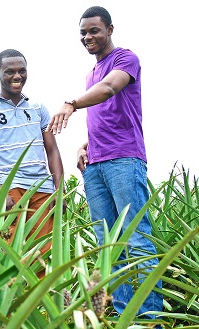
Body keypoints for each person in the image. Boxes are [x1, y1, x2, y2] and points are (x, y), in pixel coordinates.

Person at [46, 6, 163, 321]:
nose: (88, 37)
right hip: (95, 165)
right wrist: (87, 143)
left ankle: (149, 320)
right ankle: (126, 316)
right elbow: (105, 113)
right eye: (83, 33)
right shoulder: (90, 74)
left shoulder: (126, 59)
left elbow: (111, 88)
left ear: (110, 29)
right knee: (107, 245)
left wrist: (71, 104)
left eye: (94, 30)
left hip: (124, 159)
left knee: (136, 239)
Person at [0, 49, 64, 278]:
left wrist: (59, 192)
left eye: (22, 71)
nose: (17, 76)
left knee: (44, 256)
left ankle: (41, 309)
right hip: (9, 190)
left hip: (43, 191)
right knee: (8, 255)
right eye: (9, 72)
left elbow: (52, 150)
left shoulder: (38, 108)